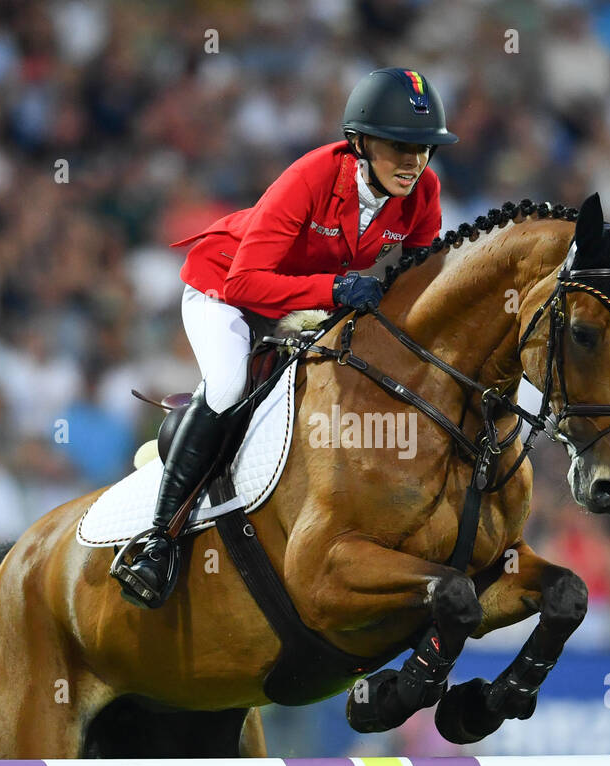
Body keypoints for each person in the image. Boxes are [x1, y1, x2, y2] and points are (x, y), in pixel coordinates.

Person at [112, 68, 458, 608]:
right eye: (400, 146)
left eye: (424, 149)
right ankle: (157, 540)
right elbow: (244, 281)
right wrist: (338, 288)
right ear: (362, 143)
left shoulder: (423, 192)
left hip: (303, 303)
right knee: (228, 388)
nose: (414, 162)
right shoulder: (313, 176)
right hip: (223, 291)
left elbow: (420, 275)